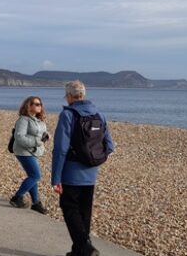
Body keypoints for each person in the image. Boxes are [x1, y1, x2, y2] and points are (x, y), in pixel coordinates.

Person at [51, 81, 114, 256]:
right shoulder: (99, 114)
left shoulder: (68, 115)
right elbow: (109, 146)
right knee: (84, 212)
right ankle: (78, 251)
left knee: (70, 208)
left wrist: (56, 178)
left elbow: (61, 149)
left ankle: (85, 248)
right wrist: (95, 160)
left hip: (71, 172)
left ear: (69, 96)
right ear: (83, 95)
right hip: (91, 172)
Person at [9, 96, 49, 214]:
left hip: (33, 151)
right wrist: (37, 141)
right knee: (35, 175)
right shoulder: (23, 119)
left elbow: (40, 132)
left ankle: (36, 203)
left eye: (40, 104)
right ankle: (17, 197)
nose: (39, 106)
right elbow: (19, 137)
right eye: (36, 104)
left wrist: (46, 135)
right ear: (29, 105)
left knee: (33, 175)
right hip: (23, 151)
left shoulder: (38, 120)